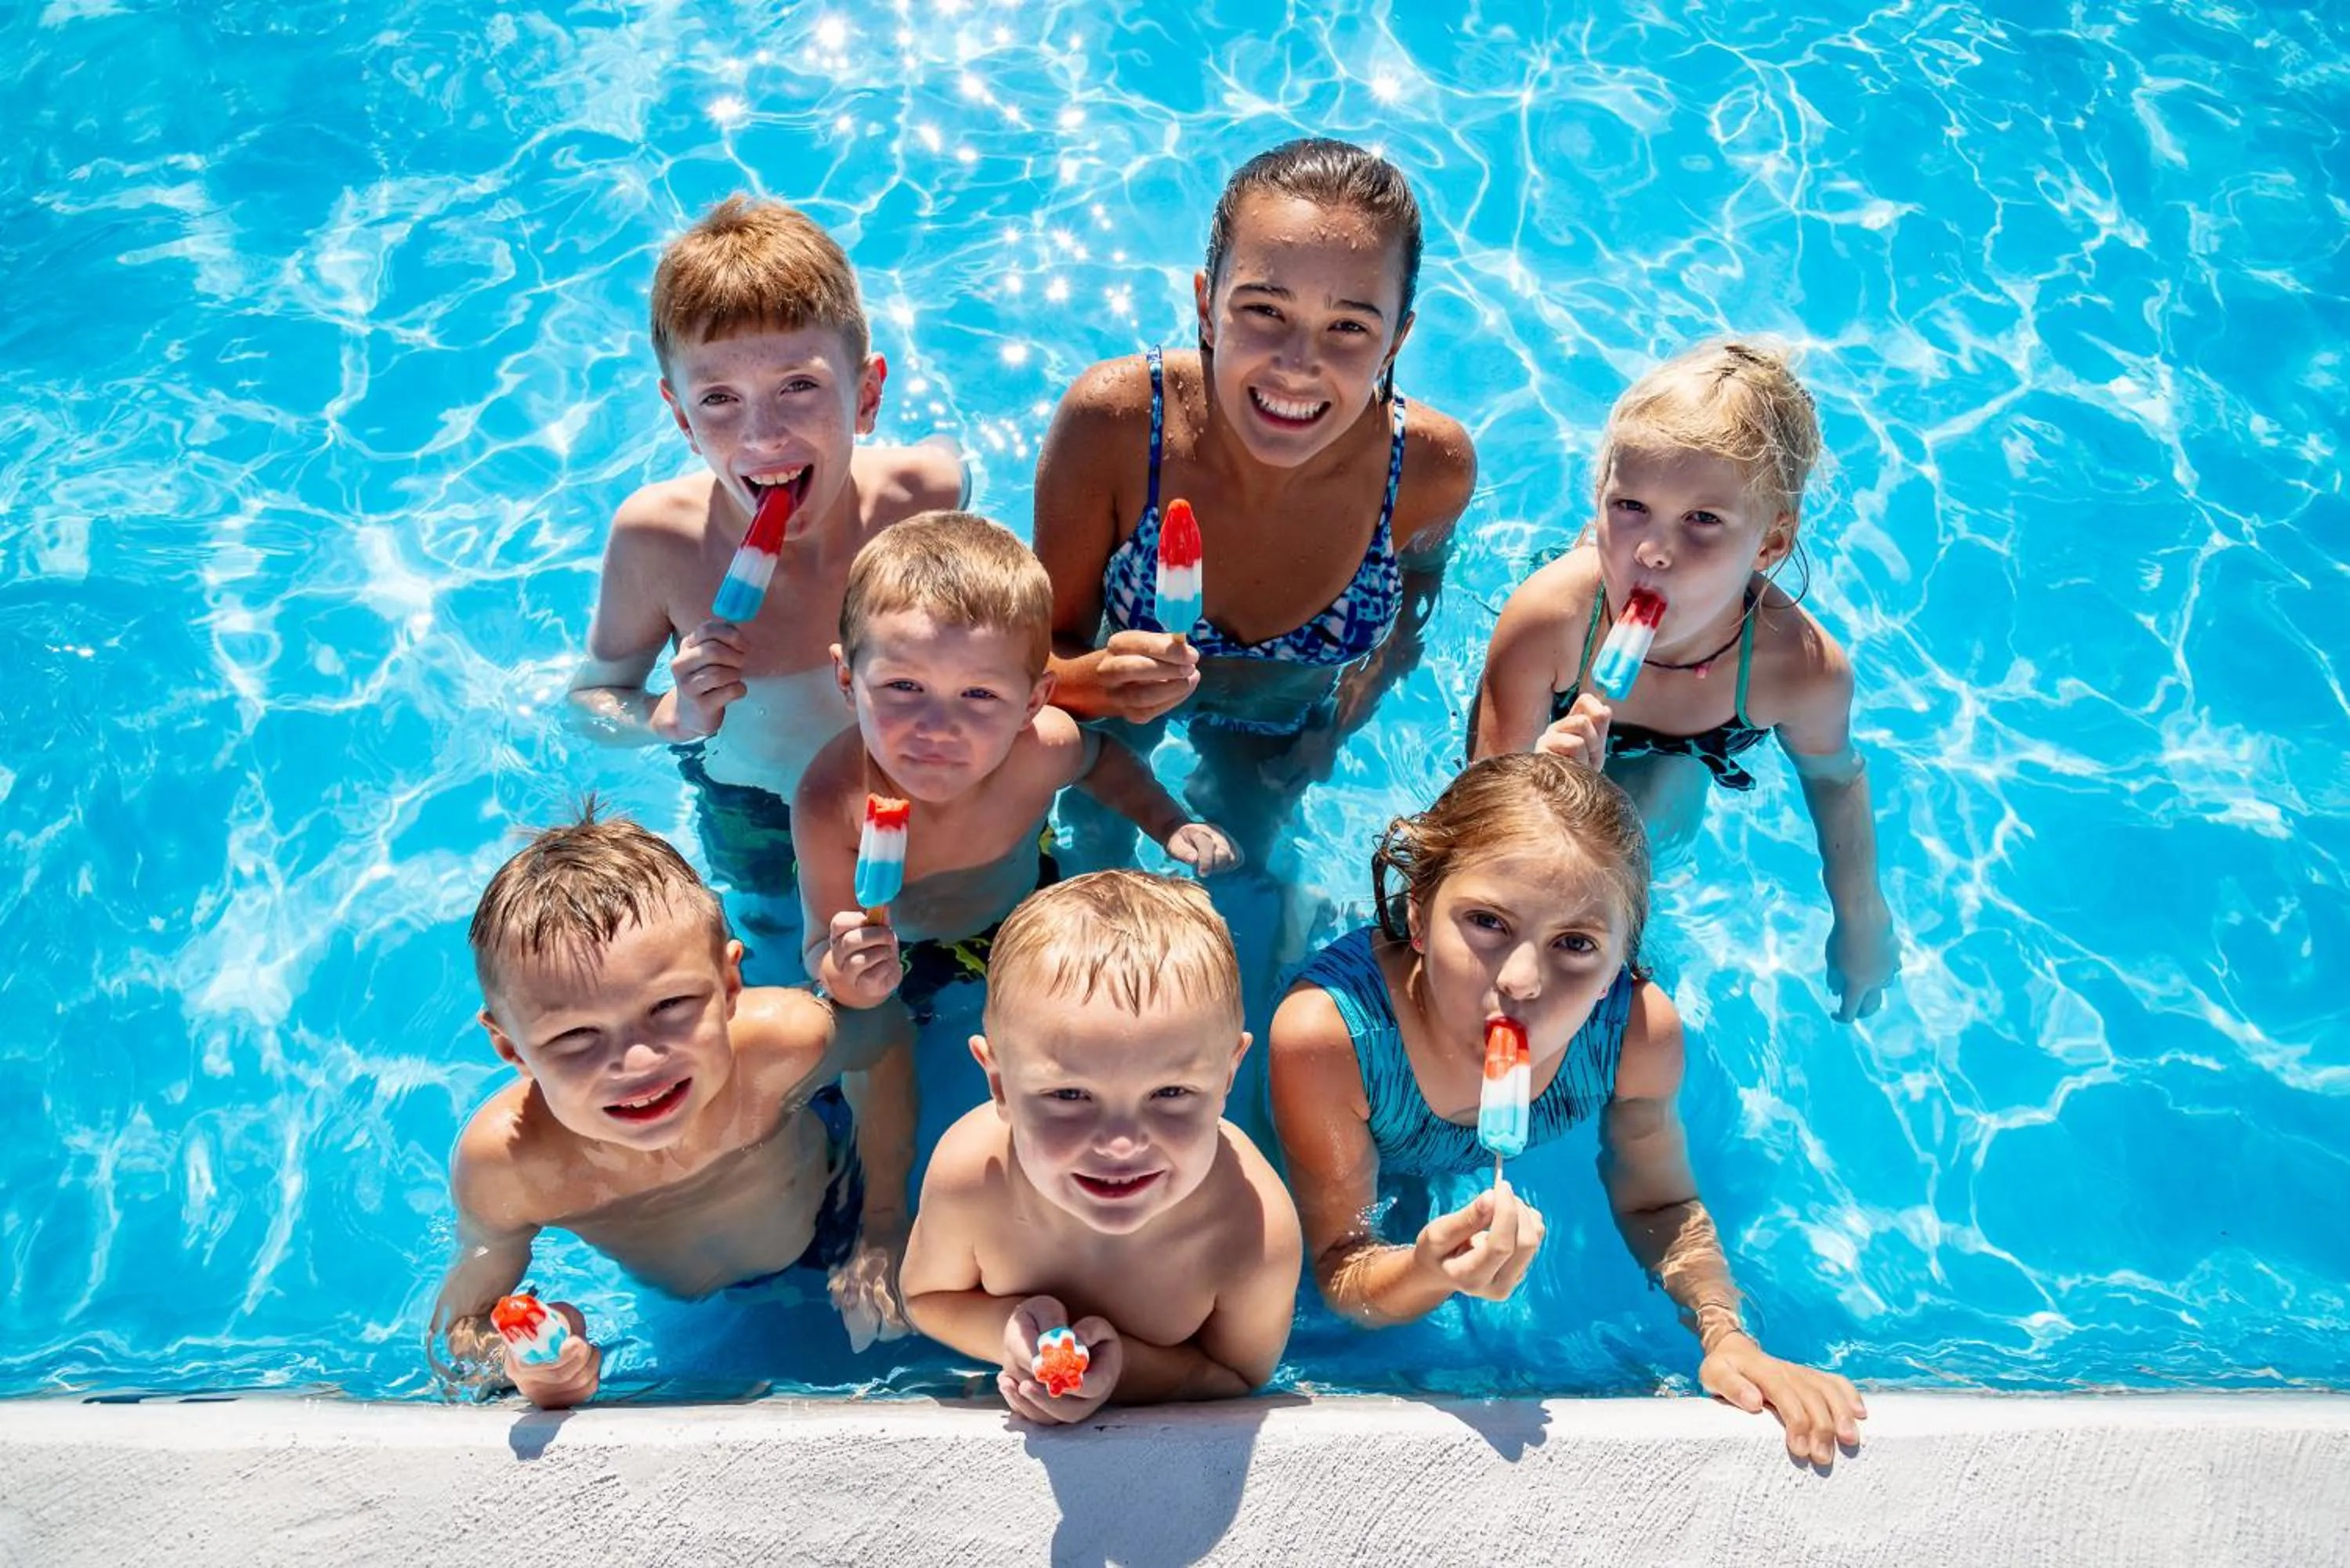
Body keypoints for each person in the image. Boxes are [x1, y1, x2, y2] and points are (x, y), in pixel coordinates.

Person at [1268, 753, 1867, 1465]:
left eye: (1576, 945)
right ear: (1419, 915)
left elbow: (1662, 1205)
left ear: (1621, 962)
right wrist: (1430, 1272)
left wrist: (1725, 1335)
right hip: (1356, 1105)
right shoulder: (1327, 1039)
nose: (1522, 981)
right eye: (1487, 922)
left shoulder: (1635, 1036)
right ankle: (1296, 905)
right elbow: (1340, 1266)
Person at [1031, 137, 1477, 858]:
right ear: (1207, 307)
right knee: (1088, 854)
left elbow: (1422, 581)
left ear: (1396, 340)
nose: (1299, 366)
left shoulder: (1431, 467)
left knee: (1249, 874)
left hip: (1283, 717)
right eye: (1265, 310)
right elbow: (1031, 657)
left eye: (1349, 327)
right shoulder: (1116, 425)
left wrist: (1359, 698)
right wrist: (1095, 684)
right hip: (1113, 718)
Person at [566, 195, 966, 920]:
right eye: (719, 399)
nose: (763, 436)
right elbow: (588, 704)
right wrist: (669, 716)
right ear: (683, 420)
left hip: (916, 778)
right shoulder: (659, 543)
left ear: (867, 396)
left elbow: (953, 470)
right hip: (751, 804)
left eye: (799, 386)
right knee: (772, 926)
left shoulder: (923, 496)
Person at [1471, 341, 1898, 1021]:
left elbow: (1835, 778)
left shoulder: (1798, 669)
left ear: (1770, 544)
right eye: (1630, 506)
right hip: (1561, 713)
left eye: (1702, 521)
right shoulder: (1550, 622)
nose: (1654, 550)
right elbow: (1475, 814)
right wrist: (1535, 786)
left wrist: (1861, 914)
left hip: (1696, 745)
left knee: (1649, 832)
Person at [430, 808, 907, 1408]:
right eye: (575, 1037)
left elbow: (885, 1037)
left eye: (671, 1006)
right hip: (695, 1306)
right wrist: (523, 1361)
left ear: (731, 987)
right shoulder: (510, 1166)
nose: (636, 1061)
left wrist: (883, 1224)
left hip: (831, 1217)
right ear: (508, 1047)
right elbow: (458, 1333)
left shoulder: (782, 1047)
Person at [795, 510, 1240, 1024]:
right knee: (865, 1033)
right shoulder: (832, 802)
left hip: (1026, 903)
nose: (938, 726)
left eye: (979, 694)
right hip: (903, 949)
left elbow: (1102, 760)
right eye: (904, 686)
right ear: (847, 680)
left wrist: (1169, 822)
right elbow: (818, 947)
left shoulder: (1039, 750)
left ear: (1032, 703)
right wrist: (848, 977)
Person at [900, 871, 1302, 1419]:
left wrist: (1116, 1374)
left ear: (1228, 1078)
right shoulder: (972, 1176)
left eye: (1170, 1092)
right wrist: (1007, 1334)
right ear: (998, 1084)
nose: (1120, 1143)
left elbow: (1239, 1376)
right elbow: (926, 1298)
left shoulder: (1253, 1232)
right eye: (1070, 1094)